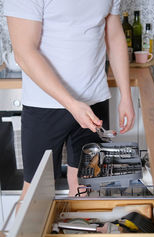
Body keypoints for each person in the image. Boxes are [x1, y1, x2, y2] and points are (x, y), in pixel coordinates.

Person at [4, 0, 135, 206]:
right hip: (45, 105)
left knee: (87, 188)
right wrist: (72, 104)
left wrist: (126, 96)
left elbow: (114, 35)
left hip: (94, 100)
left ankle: (79, 235)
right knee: (35, 194)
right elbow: (24, 53)